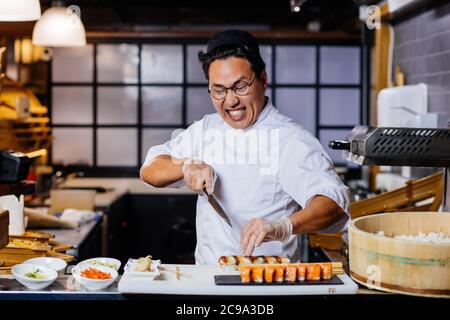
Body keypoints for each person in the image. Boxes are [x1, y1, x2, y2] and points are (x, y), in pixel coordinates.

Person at [140, 29, 350, 265]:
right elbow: (151, 170)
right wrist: (187, 166)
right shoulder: (205, 130)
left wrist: (282, 226)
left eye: (240, 86)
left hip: (269, 284)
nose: (231, 101)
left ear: (263, 80)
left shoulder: (291, 139)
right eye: (219, 90)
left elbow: (334, 204)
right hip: (208, 282)